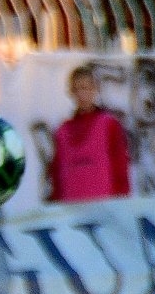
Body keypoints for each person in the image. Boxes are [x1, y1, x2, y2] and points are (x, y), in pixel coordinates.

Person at [47, 63, 131, 203]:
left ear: (94, 89)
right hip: (71, 207)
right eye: (77, 89)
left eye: (85, 88)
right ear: (71, 92)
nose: (81, 94)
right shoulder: (62, 131)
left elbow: (121, 167)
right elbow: (56, 175)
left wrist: (121, 202)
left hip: (104, 206)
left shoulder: (109, 125)